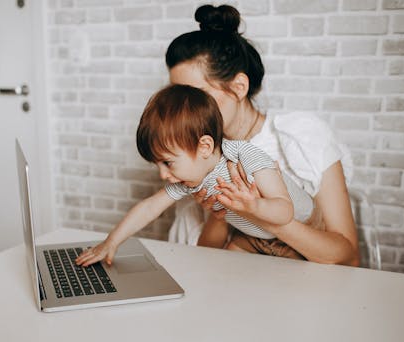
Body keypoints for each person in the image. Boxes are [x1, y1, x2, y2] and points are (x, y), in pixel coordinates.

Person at [165, 4, 359, 266]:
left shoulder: (301, 136)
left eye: (195, 96)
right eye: (176, 97)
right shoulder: (196, 152)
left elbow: (348, 259)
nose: (181, 111)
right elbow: (206, 258)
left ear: (238, 87)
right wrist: (221, 210)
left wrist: (264, 216)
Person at [76, 84, 320, 266]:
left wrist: (252, 205)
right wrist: (111, 242)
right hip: (252, 238)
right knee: (220, 275)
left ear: (204, 147)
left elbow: (285, 212)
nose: (163, 174)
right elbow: (149, 207)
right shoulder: (191, 179)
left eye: (168, 163)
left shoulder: (244, 156)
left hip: (300, 231)